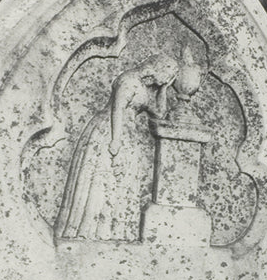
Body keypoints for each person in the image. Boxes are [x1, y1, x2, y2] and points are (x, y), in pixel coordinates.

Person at [55, 54, 178, 241]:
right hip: (110, 130)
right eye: (168, 74)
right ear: (158, 68)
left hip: (127, 133)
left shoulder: (145, 88)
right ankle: (88, 230)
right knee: (102, 179)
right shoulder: (129, 80)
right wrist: (115, 141)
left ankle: (112, 232)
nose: (168, 79)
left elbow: (160, 113)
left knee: (120, 182)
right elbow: (117, 110)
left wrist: (164, 89)